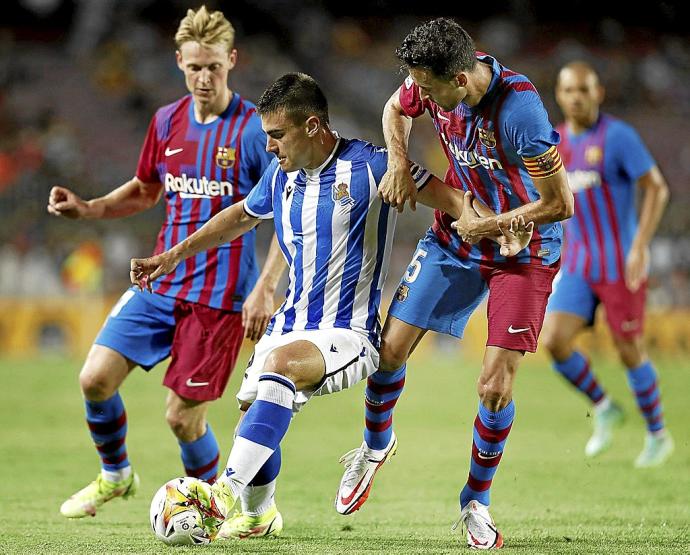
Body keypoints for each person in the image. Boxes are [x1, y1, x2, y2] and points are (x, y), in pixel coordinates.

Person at [130, 72, 533, 541]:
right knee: (254, 414)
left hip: (350, 333)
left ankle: (222, 494)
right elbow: (240, 216)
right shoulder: (280, 176)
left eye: (278, 135)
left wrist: (502, 227)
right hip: (289, 323)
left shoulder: (372, 166)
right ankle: (259, 514)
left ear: (314, 127)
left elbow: (452, 200)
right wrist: (169, 256)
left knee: (278, 371)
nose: (271, 147)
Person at [334, 18, 574, 550]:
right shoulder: (431, 84)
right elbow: (394, 109)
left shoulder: (520, 112)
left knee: (493, 386)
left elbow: (561, 204)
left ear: (461, 82)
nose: (418, 93)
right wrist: (398, 159)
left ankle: (475, 502)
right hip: (455, 242)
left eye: (428, 87)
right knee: (388, 351)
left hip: (524, 252)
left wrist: (494, 223)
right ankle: (375, 448)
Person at [47, 6, 285, 519]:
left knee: (182, 418)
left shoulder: (251, 132)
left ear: (232, 61)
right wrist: (89, 208)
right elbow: (146, 189)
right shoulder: (166, 121)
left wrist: (266, 286)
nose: (204, 77)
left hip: (219, 299)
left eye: (214, 67)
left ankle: (215, 510)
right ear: (179, 61)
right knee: (94, 380)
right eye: (195, 66)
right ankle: (116, 475)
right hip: (159, 282)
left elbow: (286, 212)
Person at [540, 61, 673, 466]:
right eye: (568, 90)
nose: (576, 97)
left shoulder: (618, 137)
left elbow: (657, 188)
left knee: (628, 349)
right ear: (559, 96)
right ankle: (604, 406)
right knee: (554, 342)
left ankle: (658, 435)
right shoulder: (555, 143)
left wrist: (640, 246)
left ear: (598, 93)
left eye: (584, 89)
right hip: (579, 262)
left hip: (620, 262)